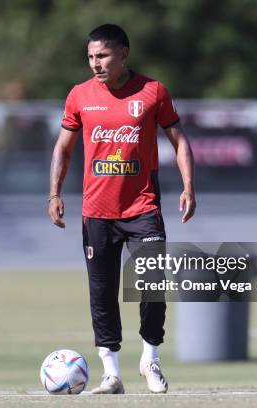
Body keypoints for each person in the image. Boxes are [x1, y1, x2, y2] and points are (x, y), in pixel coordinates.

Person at [48, 24, 196, 394]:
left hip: (143, 207)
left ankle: (150, 359)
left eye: (103, 56)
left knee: (152, 285)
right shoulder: (79, 96)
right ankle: (111, 373)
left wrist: (189, 186)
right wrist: (54, 193)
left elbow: (179, 141)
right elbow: (63, 149)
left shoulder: (152, 92)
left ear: (124, 54)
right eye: (91, 57)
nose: (96, 64)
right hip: (96, 212)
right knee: (102, 292)